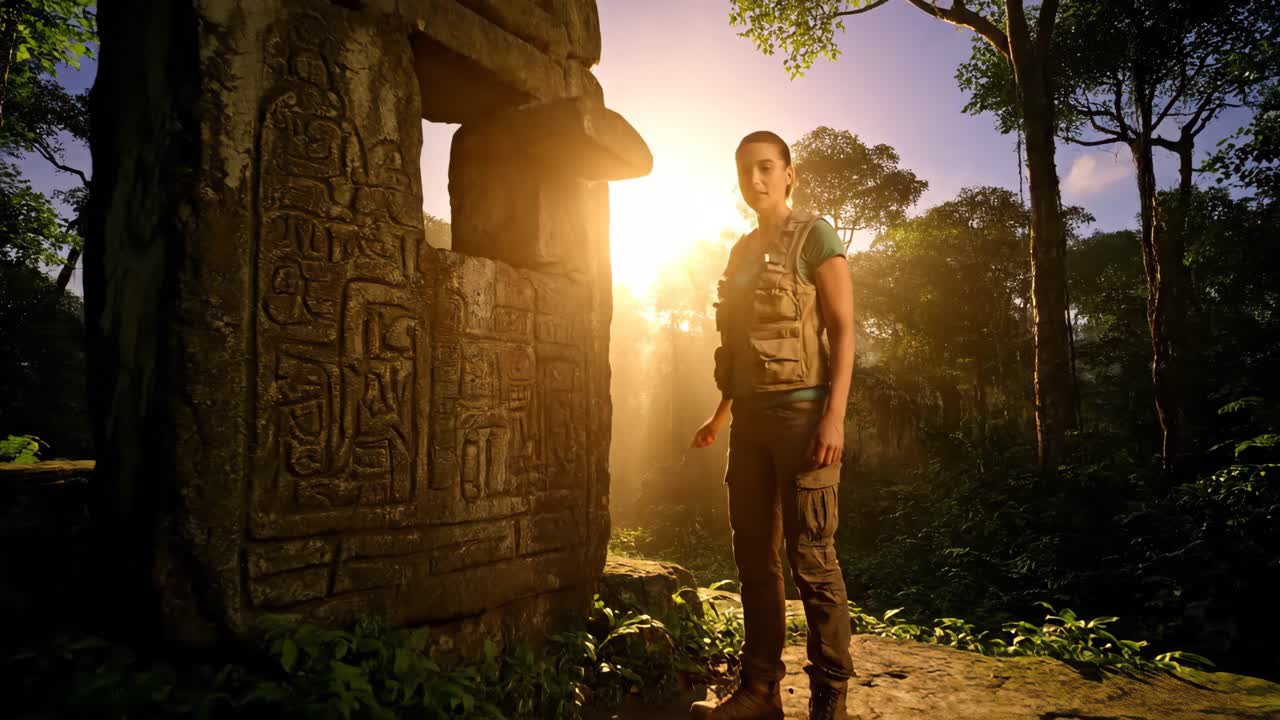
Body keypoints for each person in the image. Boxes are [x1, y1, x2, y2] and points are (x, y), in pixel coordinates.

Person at [688, 131, 856, 720]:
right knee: (754, 559)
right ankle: (760, 691)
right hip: (751, 423)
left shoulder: (817, 237)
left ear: (789, 173)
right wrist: (720, 416)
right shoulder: (739, 253)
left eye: (765, 168)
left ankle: (828, 702)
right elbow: (738, 345)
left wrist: (833, 417)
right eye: (744, 170)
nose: (754, 179)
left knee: (812, 558)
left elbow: (843, 331)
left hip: (804, 417)